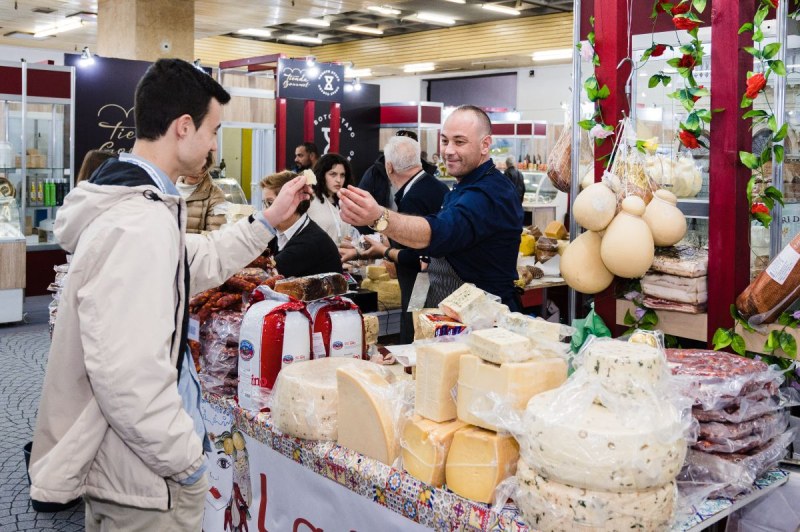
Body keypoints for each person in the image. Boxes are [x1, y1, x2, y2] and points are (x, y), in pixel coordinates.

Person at [29, 58, 310, 531]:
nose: (214, 146)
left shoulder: (142, 205)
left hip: (135, 469)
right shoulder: (137, 223)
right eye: (213, 131)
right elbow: (126, 376)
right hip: (143, 480)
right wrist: (187, 462)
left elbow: (193, 261)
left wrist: (267, 221)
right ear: (184, 127)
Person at [339, 105, 524, 310]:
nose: (448, 150)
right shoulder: (465, 185)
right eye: (445, 141)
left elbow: (437, 232)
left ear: (485, 145)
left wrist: (378, 217)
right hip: (459, 314)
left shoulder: (488, 193)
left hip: (486, 319)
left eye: (459, 142)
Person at [341, 135, 448, 343]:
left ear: (389, 167)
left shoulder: (414, 197)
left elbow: (418, 257)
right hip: (435, 284)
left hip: (424, 287)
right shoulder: (435, 187)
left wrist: (384, 251)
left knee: (414, 336)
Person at [261, 170, 342, 277]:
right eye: (264, 203)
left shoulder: (310, 242)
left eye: (270, 203)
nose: (265, 211)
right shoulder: (277, 232)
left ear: (293, 202)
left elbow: (262, 276)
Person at [357, 130, 438, 211]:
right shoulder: (375, 171)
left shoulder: (426, 172)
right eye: (399, 145)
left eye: (409, 146)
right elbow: (360, 203)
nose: (404, 151)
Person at [306, 152, 357, 244]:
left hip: (341, 257)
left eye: (342, 175)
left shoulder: (343, 202)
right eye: (333, 174)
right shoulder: (309, 199)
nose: (338, 180)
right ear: (321, 175)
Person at [177, 151, 227, 233]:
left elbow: (214, 236)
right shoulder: (167, 186)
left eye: (202, 168)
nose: (196, 171)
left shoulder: (215, 194)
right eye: (192, 166)